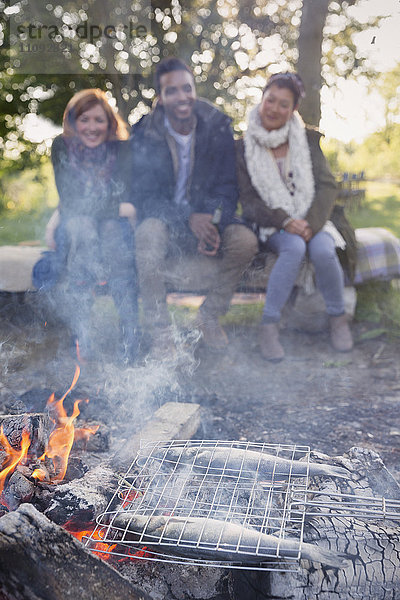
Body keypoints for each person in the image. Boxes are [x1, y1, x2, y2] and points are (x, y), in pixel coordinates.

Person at [131, 57, 258, 354]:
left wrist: (212, 221)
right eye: (171, 91)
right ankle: (161, 330)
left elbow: (228, 186)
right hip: (165, 221)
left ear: (194, 89)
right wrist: (188, 217)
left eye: (186, 88)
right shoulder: (145, 133)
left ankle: (209, 316)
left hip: (207, 218)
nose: (181, 97)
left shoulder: (217, 126)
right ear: (160, 98)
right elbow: (144, 195)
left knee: (245, 241)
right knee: (146, 234)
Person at [236, 72, 355, 361]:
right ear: (262, 99)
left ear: (293, 110)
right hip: (271, 224)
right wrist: (285, 222)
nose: (274, 109)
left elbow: (327, 185)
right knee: (293, 248)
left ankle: (338, 320)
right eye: (271, 100)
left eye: (283, 104)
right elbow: (249, 200)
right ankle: (269, 326)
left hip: (312, 220)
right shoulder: (242, 146)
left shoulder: (308, 139)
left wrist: (309, 224)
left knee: (324, 251)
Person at [44, 88, 139, 363]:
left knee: (112, 235)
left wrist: (116, 208)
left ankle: (130, 334)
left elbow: (122, 195)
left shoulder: (122, 149)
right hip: (75, 230)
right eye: (84, 119)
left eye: (99, 120)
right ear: (72, 122)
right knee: (82, 228)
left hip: (113, 231)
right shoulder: (61, 146)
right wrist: (118, 208)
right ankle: (82, 335)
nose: (92, 127)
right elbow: (70, 200)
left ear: (110, 123)